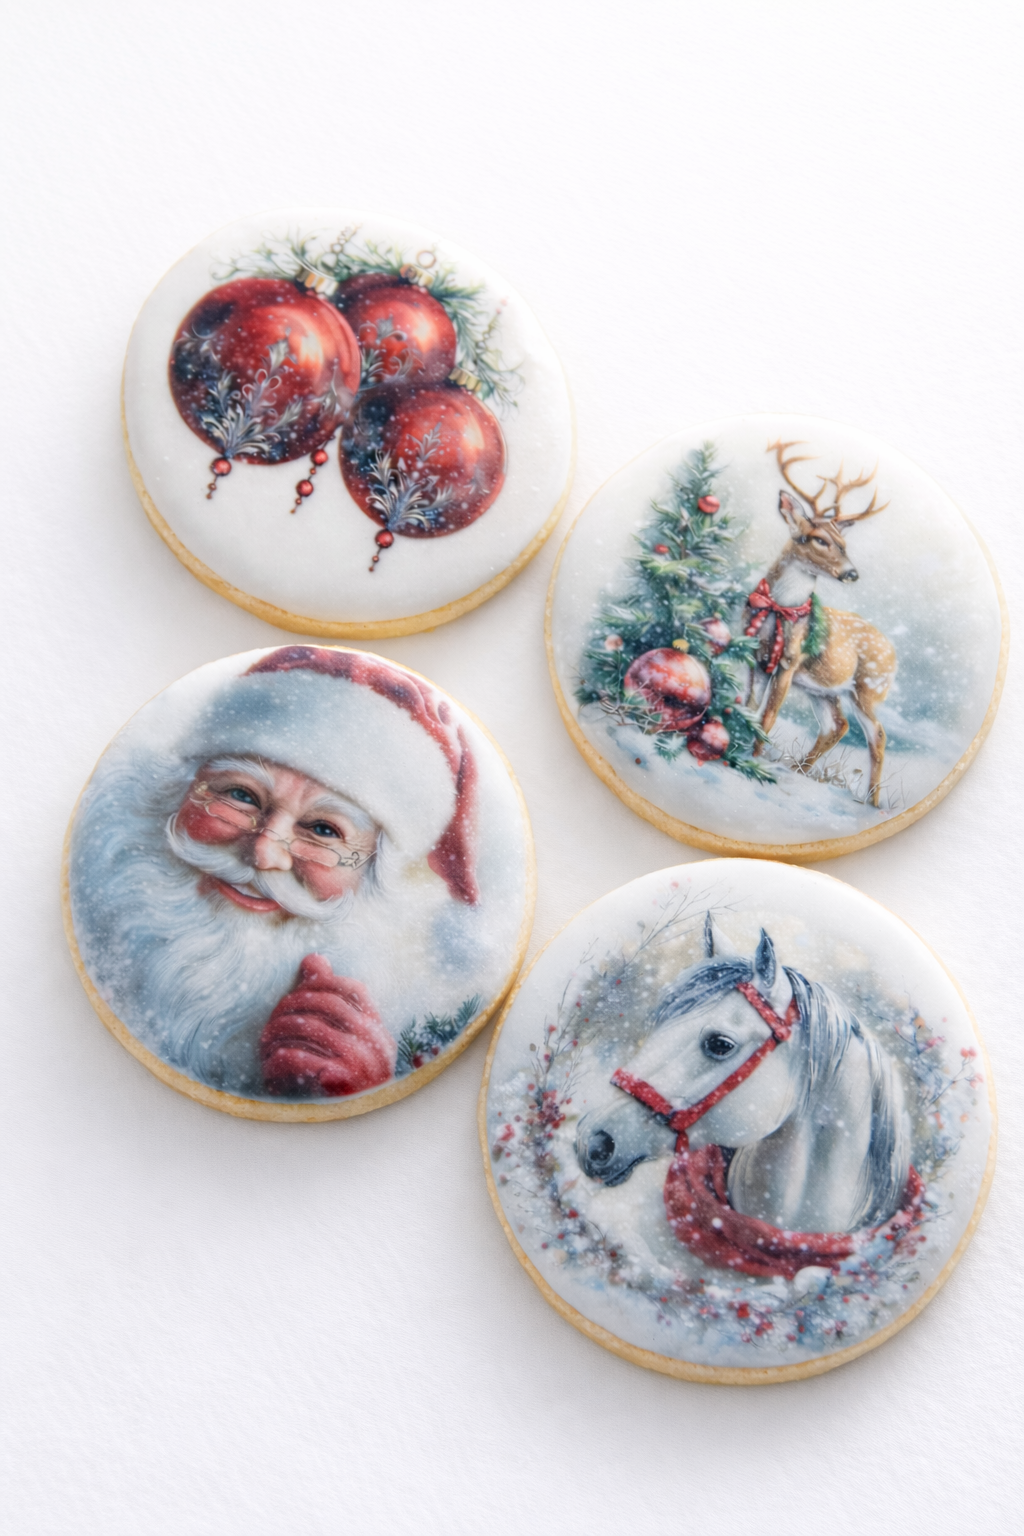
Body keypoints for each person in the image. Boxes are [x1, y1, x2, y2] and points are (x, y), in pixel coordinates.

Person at [70, 647, 490, 1100]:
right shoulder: (91, 923)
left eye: (324, 829)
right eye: (241, 795)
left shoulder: (396, 1010)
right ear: (176, 791)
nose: (265, 853)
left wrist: (348, 1083)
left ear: (373, 872)